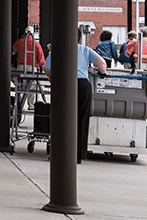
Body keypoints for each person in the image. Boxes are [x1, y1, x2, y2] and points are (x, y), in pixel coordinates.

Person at [43, 30, 108, 162]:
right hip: (82, 86)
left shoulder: (56, 50)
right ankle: (78, 155)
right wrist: (103, 72)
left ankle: (59, 154)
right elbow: (101, 64)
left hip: (63, 85)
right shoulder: (85, 50)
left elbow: (48, 71)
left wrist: (50, 73)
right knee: (81, 120)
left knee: (60, 120)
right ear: (79, 38)